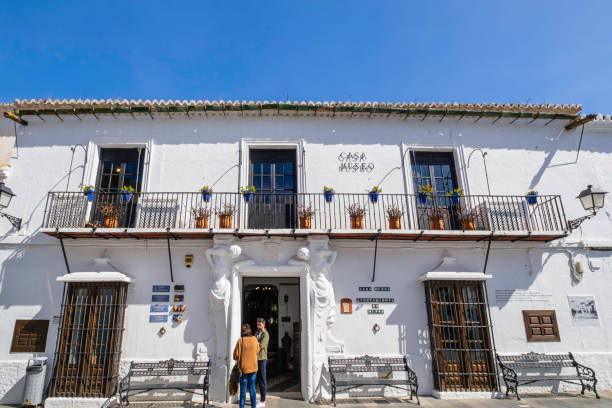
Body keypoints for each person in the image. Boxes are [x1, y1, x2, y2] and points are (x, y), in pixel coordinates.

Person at [233, 323, 260, 408]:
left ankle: (241, 406)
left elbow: (235, 356)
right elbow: (258, 350)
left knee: (243, 389)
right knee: (252, 387)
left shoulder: (240, 340)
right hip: (253, 367)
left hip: (243, 368)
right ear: (249, 330)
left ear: (242, 331)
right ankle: (254, 406)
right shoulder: (254, 339)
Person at [255, 317, 269, 407]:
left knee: (263, 380)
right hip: (256, 358)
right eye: (257, 324)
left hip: (262, 359)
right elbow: (255, 343)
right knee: (258, 380)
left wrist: (256, 343)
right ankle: (260, 399)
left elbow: (262, 345)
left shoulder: (265, 334)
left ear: (264, 325)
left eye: (260, 324)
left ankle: (263, 400)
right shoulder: (257, 333)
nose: (258, 326)